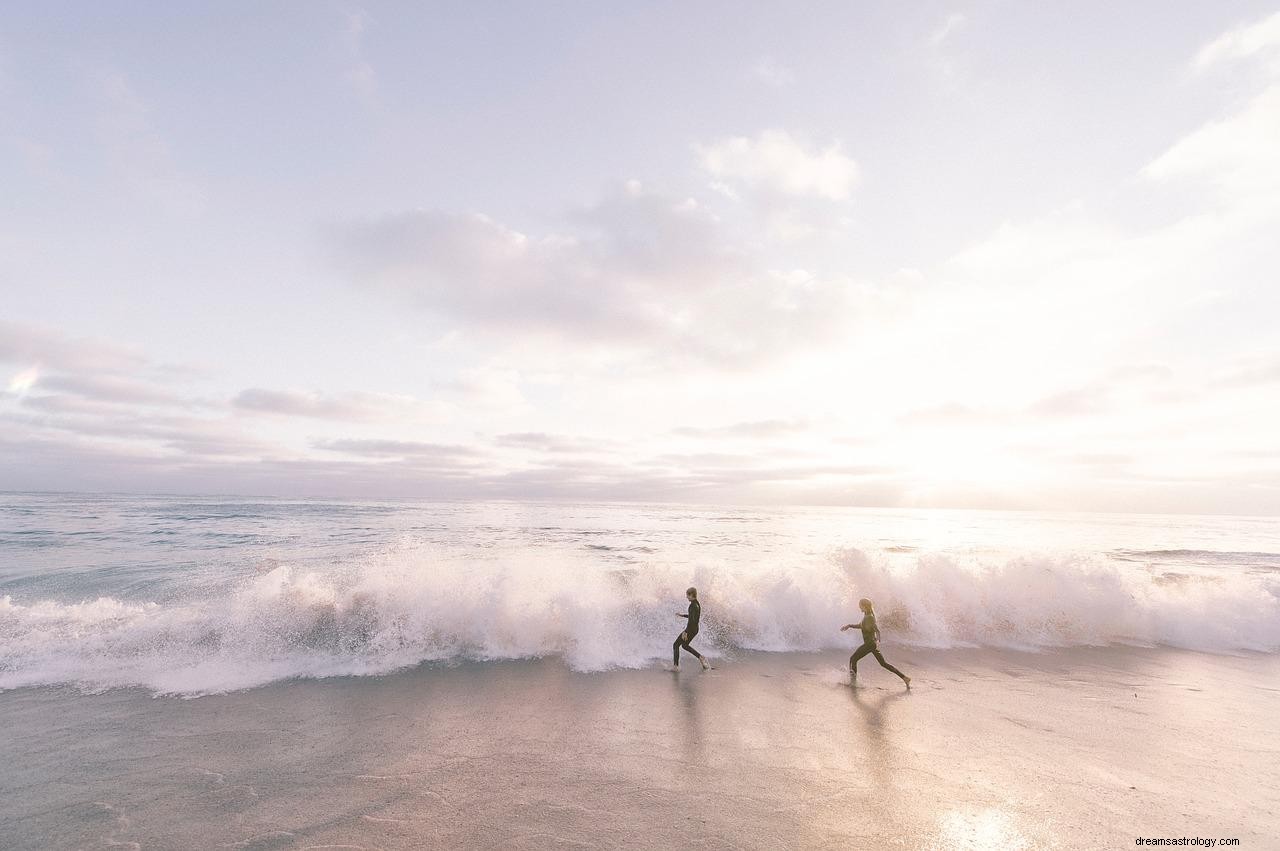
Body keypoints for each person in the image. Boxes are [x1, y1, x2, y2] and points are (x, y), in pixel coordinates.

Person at [841, 598, 910, 688]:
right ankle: (905, 678)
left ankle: (853, 683)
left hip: (870, 644)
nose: (859, 607)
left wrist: (878, 640)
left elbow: (877, 631)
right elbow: (861, 626)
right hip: (872, 645)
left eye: (860, 605)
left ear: (864, 606)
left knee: (853, 659)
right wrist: (849, 626)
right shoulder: (867, 616)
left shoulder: (869, 617)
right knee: (883, 664)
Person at [673, 586, 711, 670]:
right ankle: (701, 657)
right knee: (684, 645)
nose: (686, 597)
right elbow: (693, 617)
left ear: (691, 595)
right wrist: (682, 615)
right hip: (694, 629)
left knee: (676, 645)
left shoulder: (692, 606)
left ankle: (675, 666)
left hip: (691, 629)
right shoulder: (696, 604)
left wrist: (686, 632)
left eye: (687, 595)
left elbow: (692, 621)